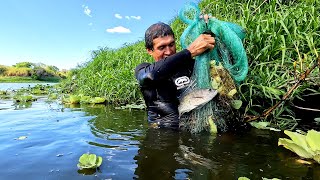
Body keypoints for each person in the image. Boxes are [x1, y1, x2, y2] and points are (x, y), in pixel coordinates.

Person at [135, 21, 215, 129]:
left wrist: (208, 31)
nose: (168, 51)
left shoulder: (188, 65)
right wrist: (189, 51)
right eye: (162, 47)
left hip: (193, 131)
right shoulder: (144, 69)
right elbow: (150, 76)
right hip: (162, 136)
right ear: (149, 50)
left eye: (171, 44)